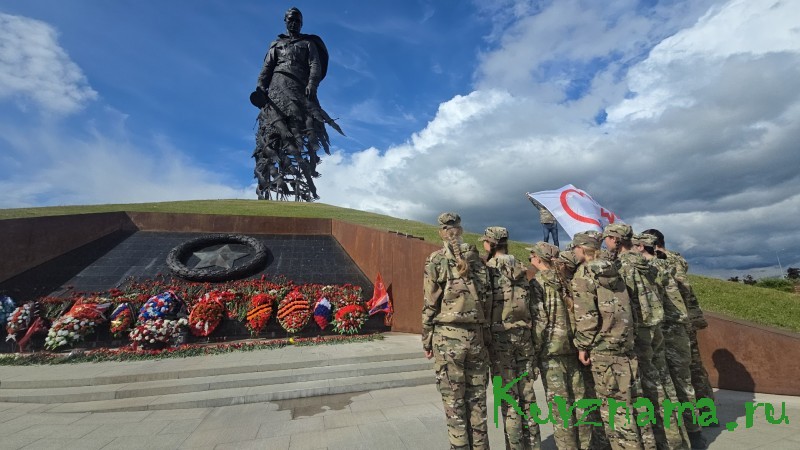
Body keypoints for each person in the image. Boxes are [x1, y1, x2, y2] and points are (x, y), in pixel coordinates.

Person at [570, 231, 653, 450]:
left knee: (615, 410)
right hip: (625, 345)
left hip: (603, 350)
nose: (574, 251)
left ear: (582, 249)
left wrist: (582, 346)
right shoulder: (615, 269)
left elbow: (587, 318)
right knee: (636, 405)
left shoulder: (584, 275)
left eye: (575, 248)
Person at [603, 224, 681, 450]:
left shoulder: (623, 266)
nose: (605, 242)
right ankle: (676, 438)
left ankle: (659, 440)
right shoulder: (649, 262)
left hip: (640, 329)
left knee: (648, 386)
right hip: (656, 325)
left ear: (615, 239)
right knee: (663, 381)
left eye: (607, 238)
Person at [253, 7, 343, 201]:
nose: (293, 23)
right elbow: (267, 69)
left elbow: (315, 65)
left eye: (297, 21)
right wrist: (260, 87)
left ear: (301, 23)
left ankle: (302, 181)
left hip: (299, 89)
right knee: (273, 133)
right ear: (285, 21)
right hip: (276, 88)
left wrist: (312, 84)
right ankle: (267, 185)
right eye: (290, 20)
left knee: (299, 131)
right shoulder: (276, 44)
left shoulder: (308, 43)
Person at [422, 213, 492, 450]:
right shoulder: (478, 261)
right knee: (477, 404)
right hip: (476, 337)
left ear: (441, 232)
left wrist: (426, 340)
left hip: (448, 339)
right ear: (460, 230)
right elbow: (488, 300)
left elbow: (430, 303)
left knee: (454, 405)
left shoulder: (436, 260)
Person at [642, 229, 717, 428]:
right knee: (694, 367)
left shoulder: (663, 262)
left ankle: (693, 419)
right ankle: (707, 414)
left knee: (683, 370)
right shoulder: (676, 259)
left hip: (674, 321)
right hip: (686, 319)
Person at [633, 233, 701, 448]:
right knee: (680, 382)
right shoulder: (667, 265)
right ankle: (692, 431)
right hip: (674, 327)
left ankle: (686, 433)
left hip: (666, 328)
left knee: (671, 383)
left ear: (641, 247)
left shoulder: (649, 269)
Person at [480, 227, 541, 450]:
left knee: (509, 398)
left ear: (491, 243)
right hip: (524, 335)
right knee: (528, 395)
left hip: (501, 338)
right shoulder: (522, 268)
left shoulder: (489, 270)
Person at [529, 242, 593, 449]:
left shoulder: (538, 283)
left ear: (539, 258)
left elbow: (540, 321)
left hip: (551, 353)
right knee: (580, 405)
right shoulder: (568, 280)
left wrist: (534, 351)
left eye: (532, 255)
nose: (531, 259)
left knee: (561, 410)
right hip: (574, 349)